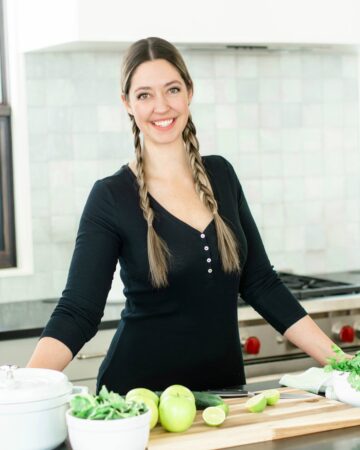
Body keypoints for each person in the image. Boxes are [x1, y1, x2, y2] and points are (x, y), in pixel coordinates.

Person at [27, 37, 346, 395]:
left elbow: (261, 283)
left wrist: (345, 366)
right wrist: (21, 391)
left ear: (189, 92)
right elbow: (78, 311)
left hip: (224, 397)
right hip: (139, 402)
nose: (161, 106)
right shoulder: (111, 196)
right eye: (145, 95)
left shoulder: (221, 176)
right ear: (127, 104)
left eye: (172, 89)